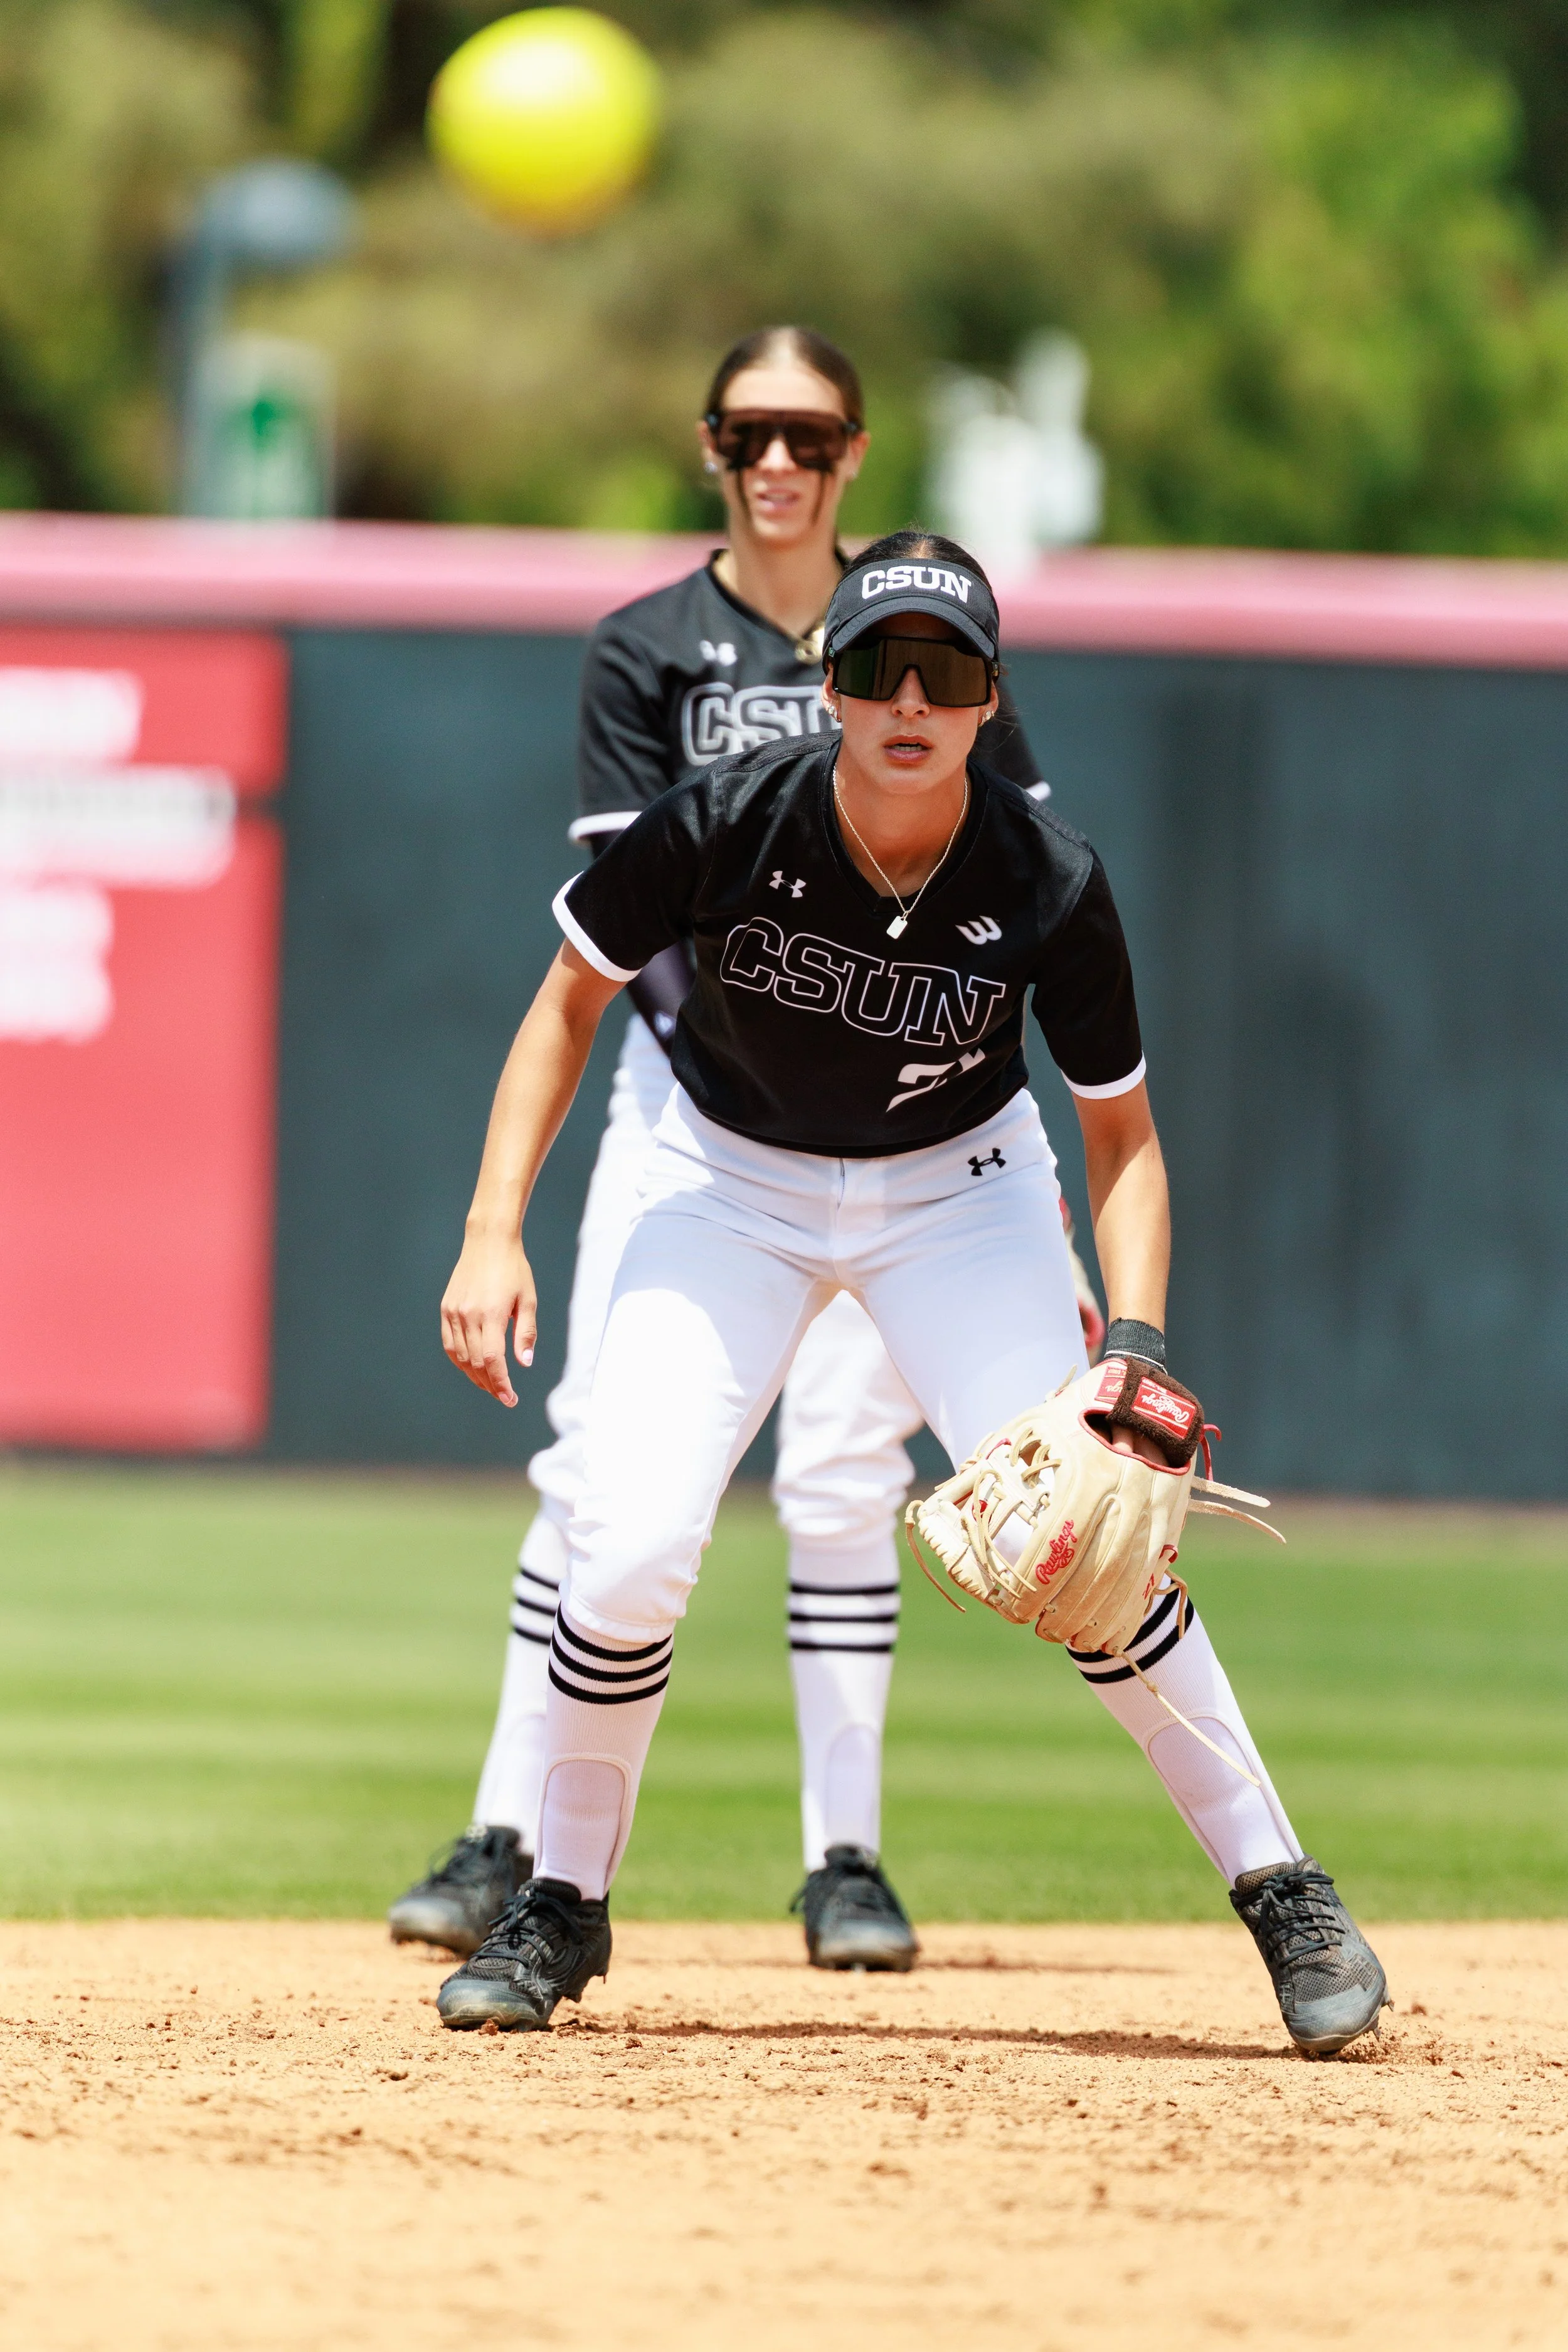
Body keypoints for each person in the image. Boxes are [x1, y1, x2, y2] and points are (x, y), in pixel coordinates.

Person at [431, 529, 1389, 2058]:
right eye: (878, 663)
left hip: (956, 1197)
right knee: (621, 1552)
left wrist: (1129, 1346)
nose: (908, 698)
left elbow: (1119, 1137)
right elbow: (565, 1009)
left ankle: (1285, 1896)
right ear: (828, 685)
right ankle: (561, 1902)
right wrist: (495, 1229)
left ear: (987, 701)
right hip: (723, 1179)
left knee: (1091, 1551)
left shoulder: (1045, 879)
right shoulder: (719, 817)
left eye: (944, 672)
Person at [388, 327, 1100, 1973]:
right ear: (710, 449)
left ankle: (841, 1856)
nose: (774, 459)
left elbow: (1012, 896)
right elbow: (618, 922)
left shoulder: (919, 629)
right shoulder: (649, 642)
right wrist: (763, 1038)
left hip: (908, 1119)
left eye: (807, 432)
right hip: (691, 1100)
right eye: (743, 431)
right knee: (599, 1462)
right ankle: (514, 1825)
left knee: (852, 1464)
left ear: (854, 451)